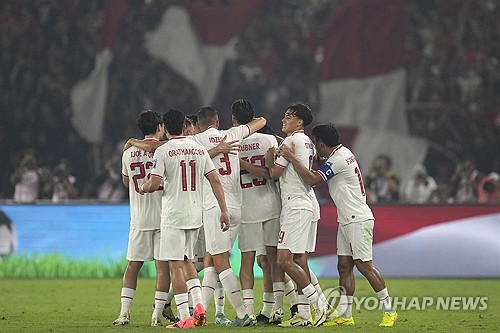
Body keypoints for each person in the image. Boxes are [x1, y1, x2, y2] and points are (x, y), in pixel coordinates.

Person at [278, 123, 398, 327]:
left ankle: (389, 310)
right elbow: (319, 159)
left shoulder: (338, 159)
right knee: (344, 267)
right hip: (346, 219)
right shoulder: (341, 153)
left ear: (322, 142)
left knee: (364, 265)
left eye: (316, 143)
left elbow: (314, 179)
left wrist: (292, 157)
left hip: (358, 218)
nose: (315, 147)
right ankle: (345, 315)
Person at [139, 108, 230, 329]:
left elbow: (153, 183)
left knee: (176, 266)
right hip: (194, 214)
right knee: (188, 261)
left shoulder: (163, 151)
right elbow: (215, 181)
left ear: (165, 128)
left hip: (173, 215)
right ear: (183, 126)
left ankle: (184, 318)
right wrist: (224, 211)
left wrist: (143, 187)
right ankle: (198, 306)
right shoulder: (199, 149)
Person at [190, 106, 266, 326]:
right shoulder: (231, 134)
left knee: (220, 260)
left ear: (199, 124)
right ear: (217, 120)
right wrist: (225, 143)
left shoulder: (196, 141)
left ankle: (242, 315)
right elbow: (261, 121)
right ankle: (201, 312)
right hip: (237, 207)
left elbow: (192, 161)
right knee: (213, 259)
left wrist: (213, 151)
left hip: (216, 207)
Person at [266, 103, 333, 327]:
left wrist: (269, 156)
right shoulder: (308, 143)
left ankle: (319, 306)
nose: (284, 119)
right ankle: (305, 313)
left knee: (283, 260)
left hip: (295, 206)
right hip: (308, 204)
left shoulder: (291, 142)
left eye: (289, 116)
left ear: (300, 122)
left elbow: (274, 173)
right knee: (299, 260)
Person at [113, 110, 170, 327]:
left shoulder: (128, 153)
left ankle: (124, 313)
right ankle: (156, 316)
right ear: (160, 127)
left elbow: (127, 183)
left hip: (139, 218)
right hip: (162, 217)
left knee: (132, 266)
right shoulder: (164, 150)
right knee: (162, 268)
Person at [231, 99, 282, 323]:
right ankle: (274, 309)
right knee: (273, 260)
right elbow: (274, 171)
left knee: (247, 261)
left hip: (247, 207)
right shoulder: (269, 139)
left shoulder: (232, 142)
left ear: (234, 120)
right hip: (271, 204)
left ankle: (249, 312)